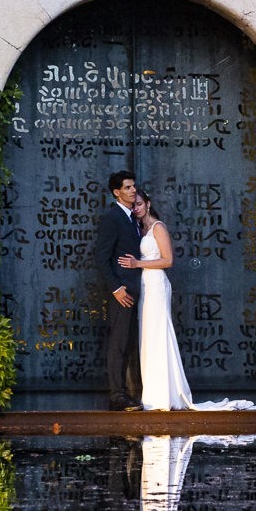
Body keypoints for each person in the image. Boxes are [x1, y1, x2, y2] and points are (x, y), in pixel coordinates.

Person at [118, 188, 192, 411]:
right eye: (133, 206)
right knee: (148, 337)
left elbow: (168, 260)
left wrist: (137, 264)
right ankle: (152, 394)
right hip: (144, 285)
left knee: (158, 334)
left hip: (157, 284)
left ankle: (163, 395)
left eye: (139, 204)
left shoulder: (158, 227)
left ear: (148, 204)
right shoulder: (139, 229)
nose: (136, 208)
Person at [94, 170, 143, 410]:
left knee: (131, 344)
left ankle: (131, 393)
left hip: (135, 291)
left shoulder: (133, 218)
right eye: (128, 187)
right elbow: (101, 257)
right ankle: (117, 396)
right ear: (117, 192)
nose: (133, 190)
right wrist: (116, 288)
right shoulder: (113, 217)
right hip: (122, 293)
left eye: (134, 186)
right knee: (119, 343)